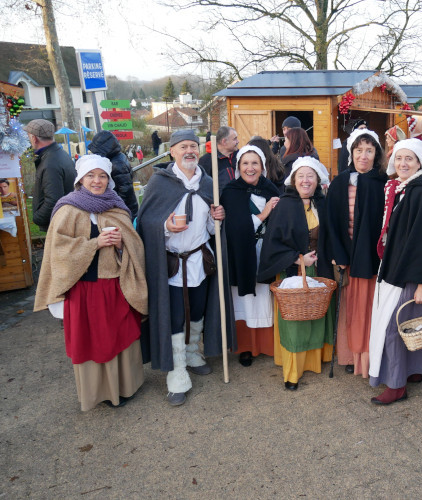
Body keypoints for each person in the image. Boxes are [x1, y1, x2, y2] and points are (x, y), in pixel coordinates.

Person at [34, 155, 147, 411]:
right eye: (91, 176)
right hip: (85, 290)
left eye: (102, 176)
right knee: (93, 341)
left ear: (109, 179)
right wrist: (95, 243)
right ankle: (100, 392)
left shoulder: (116, 206)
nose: (97, 181)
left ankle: (125, 387)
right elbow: (58, 251)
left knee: (120, 335)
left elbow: (135, 246)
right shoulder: (67, 209)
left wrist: (121, 245)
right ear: (80, 179)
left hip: (114, 286)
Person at [136, 129, 236, 406]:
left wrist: (218, 217)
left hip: (201, 262)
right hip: (171, 264)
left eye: (193, 146)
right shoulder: (160, 183)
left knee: (199, 311)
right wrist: (165, 227)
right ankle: (177, 373)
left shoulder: (208, 183)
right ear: (172, 152)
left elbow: (209, 228)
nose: (189, 151)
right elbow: (145, 221)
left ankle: (193, 354)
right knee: (176, 315)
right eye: (183, 147)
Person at [368, 139, 422, 405]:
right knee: (411, 326)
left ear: (420, 162)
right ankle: (412, 370)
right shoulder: (407, 188)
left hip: (414, 275)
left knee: (396, 328)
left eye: (409, 159)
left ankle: (396, 384)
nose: (402, 164)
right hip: (401, 267)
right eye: (398, 158)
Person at [257, 156, 334, 391]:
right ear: (293, 180)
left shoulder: (323, 204)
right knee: (296, 322)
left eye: (310, 176)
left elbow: (332, 236)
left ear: (318, 180)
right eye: (301, 176)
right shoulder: (285, 205)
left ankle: (315, 360)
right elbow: (274, 245)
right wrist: (298, 259)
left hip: (319, 272)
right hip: (292, 274)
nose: (305, 180)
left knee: (317, 317)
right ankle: (292, 371)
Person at [325, 128, 388, 377]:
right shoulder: (340, 182)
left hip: (371, 260)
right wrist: (338, 255)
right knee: (351, 310)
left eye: (369, 150)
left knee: (369, 309)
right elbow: (331, 222)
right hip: (347, 259)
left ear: (376, 154)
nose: (364, 156)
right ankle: (351, 354)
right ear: (351, 153)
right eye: (359, 150)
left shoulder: (382, 183)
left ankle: (370, 356)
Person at [223, 145, 281, 368]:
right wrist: (265, 213)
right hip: (241, 253)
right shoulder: (230, 191)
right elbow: (236, 228)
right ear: (238, 167)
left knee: (265, 296)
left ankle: (267, 344)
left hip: (266, 252)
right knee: (246, 300)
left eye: (254, 163)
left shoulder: (272, 189)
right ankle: (246, 347)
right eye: (245, 163)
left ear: (262, 166)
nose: (250, 168)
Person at [22, 119, 76, 232]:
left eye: (29, 136)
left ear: (34, 138)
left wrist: (38, 218)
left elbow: (53, 200)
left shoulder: (50, 162)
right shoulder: (59, 154)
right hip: (65, 221)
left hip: (59, 226)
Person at [88, 130, 140, 219]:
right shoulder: (118, 157)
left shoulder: (117, 164)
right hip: (126, 207)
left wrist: (115, 209)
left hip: (124, 210)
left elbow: (125, 190)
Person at [198, 126, 239, 191]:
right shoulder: (206, 161)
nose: (238, 141)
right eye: (235, 139)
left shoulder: (240, 156)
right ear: (224, 142)